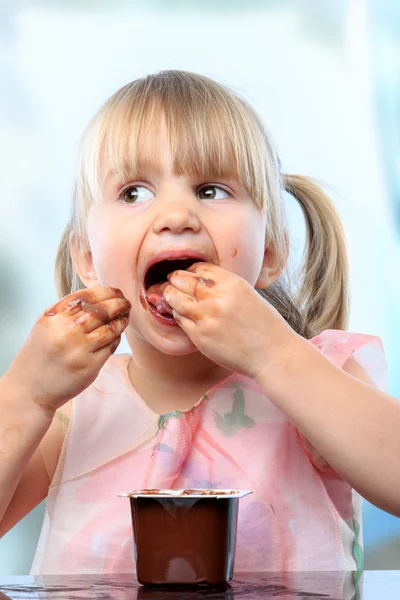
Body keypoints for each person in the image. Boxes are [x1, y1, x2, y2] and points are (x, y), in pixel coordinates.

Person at [0, 70, 399, 576]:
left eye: (210, 190)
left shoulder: (316, 377)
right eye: (133, 193)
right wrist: (24, 395)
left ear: (271, 252)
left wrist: (275, 354)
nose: (176, 215)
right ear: (87, 257)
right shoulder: (72, 411)